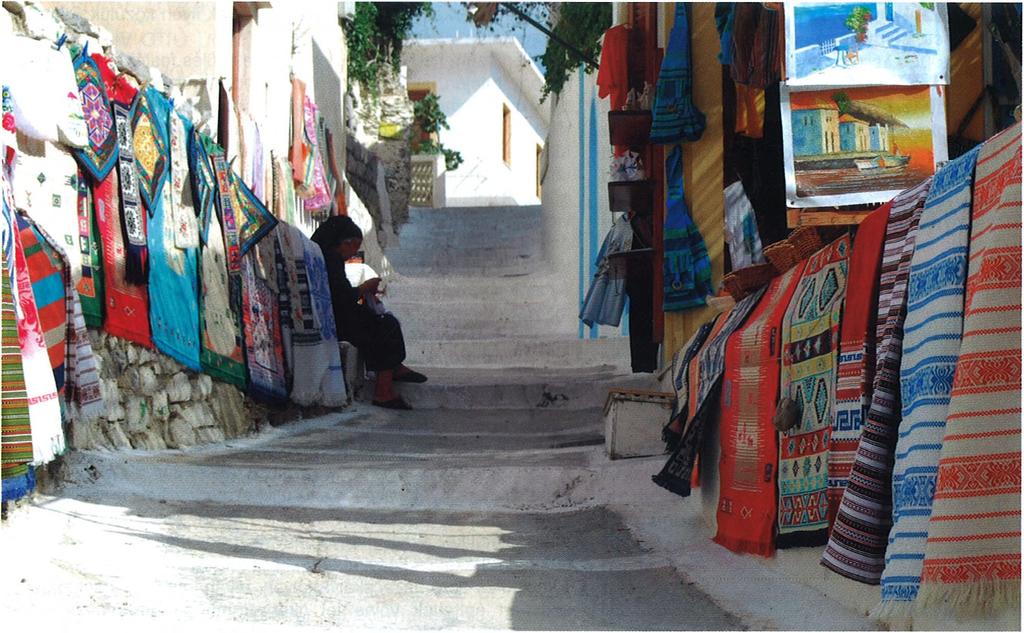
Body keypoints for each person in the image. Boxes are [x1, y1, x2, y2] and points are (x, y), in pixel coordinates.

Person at [311, 216, 426, 410]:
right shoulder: (330, 260)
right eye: (354, 246)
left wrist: (363, 297)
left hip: (336, 317)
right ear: (343, 243)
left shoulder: (328, 258)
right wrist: (364, 289)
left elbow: (345, 298)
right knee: (384, 325)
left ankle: (394, 368)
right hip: (335, 323)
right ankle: (384, 390)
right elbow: (343, 299)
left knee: (381, 319)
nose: (355, 252)